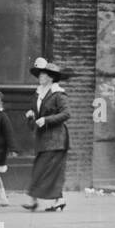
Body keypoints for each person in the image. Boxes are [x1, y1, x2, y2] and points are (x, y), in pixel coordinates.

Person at [23, 58, 71, 212]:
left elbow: (66, 114)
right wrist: (31, 117)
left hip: (56, 139)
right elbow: (35, 122)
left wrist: (46, 120)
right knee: (46, 169)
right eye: (39, 75)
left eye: (43, 75)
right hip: (44, 139)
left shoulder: (58, 94)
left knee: (44, 169)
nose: (40, 77)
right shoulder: (38, 94)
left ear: (50, 77)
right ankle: (58, 199)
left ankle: (34, 200)